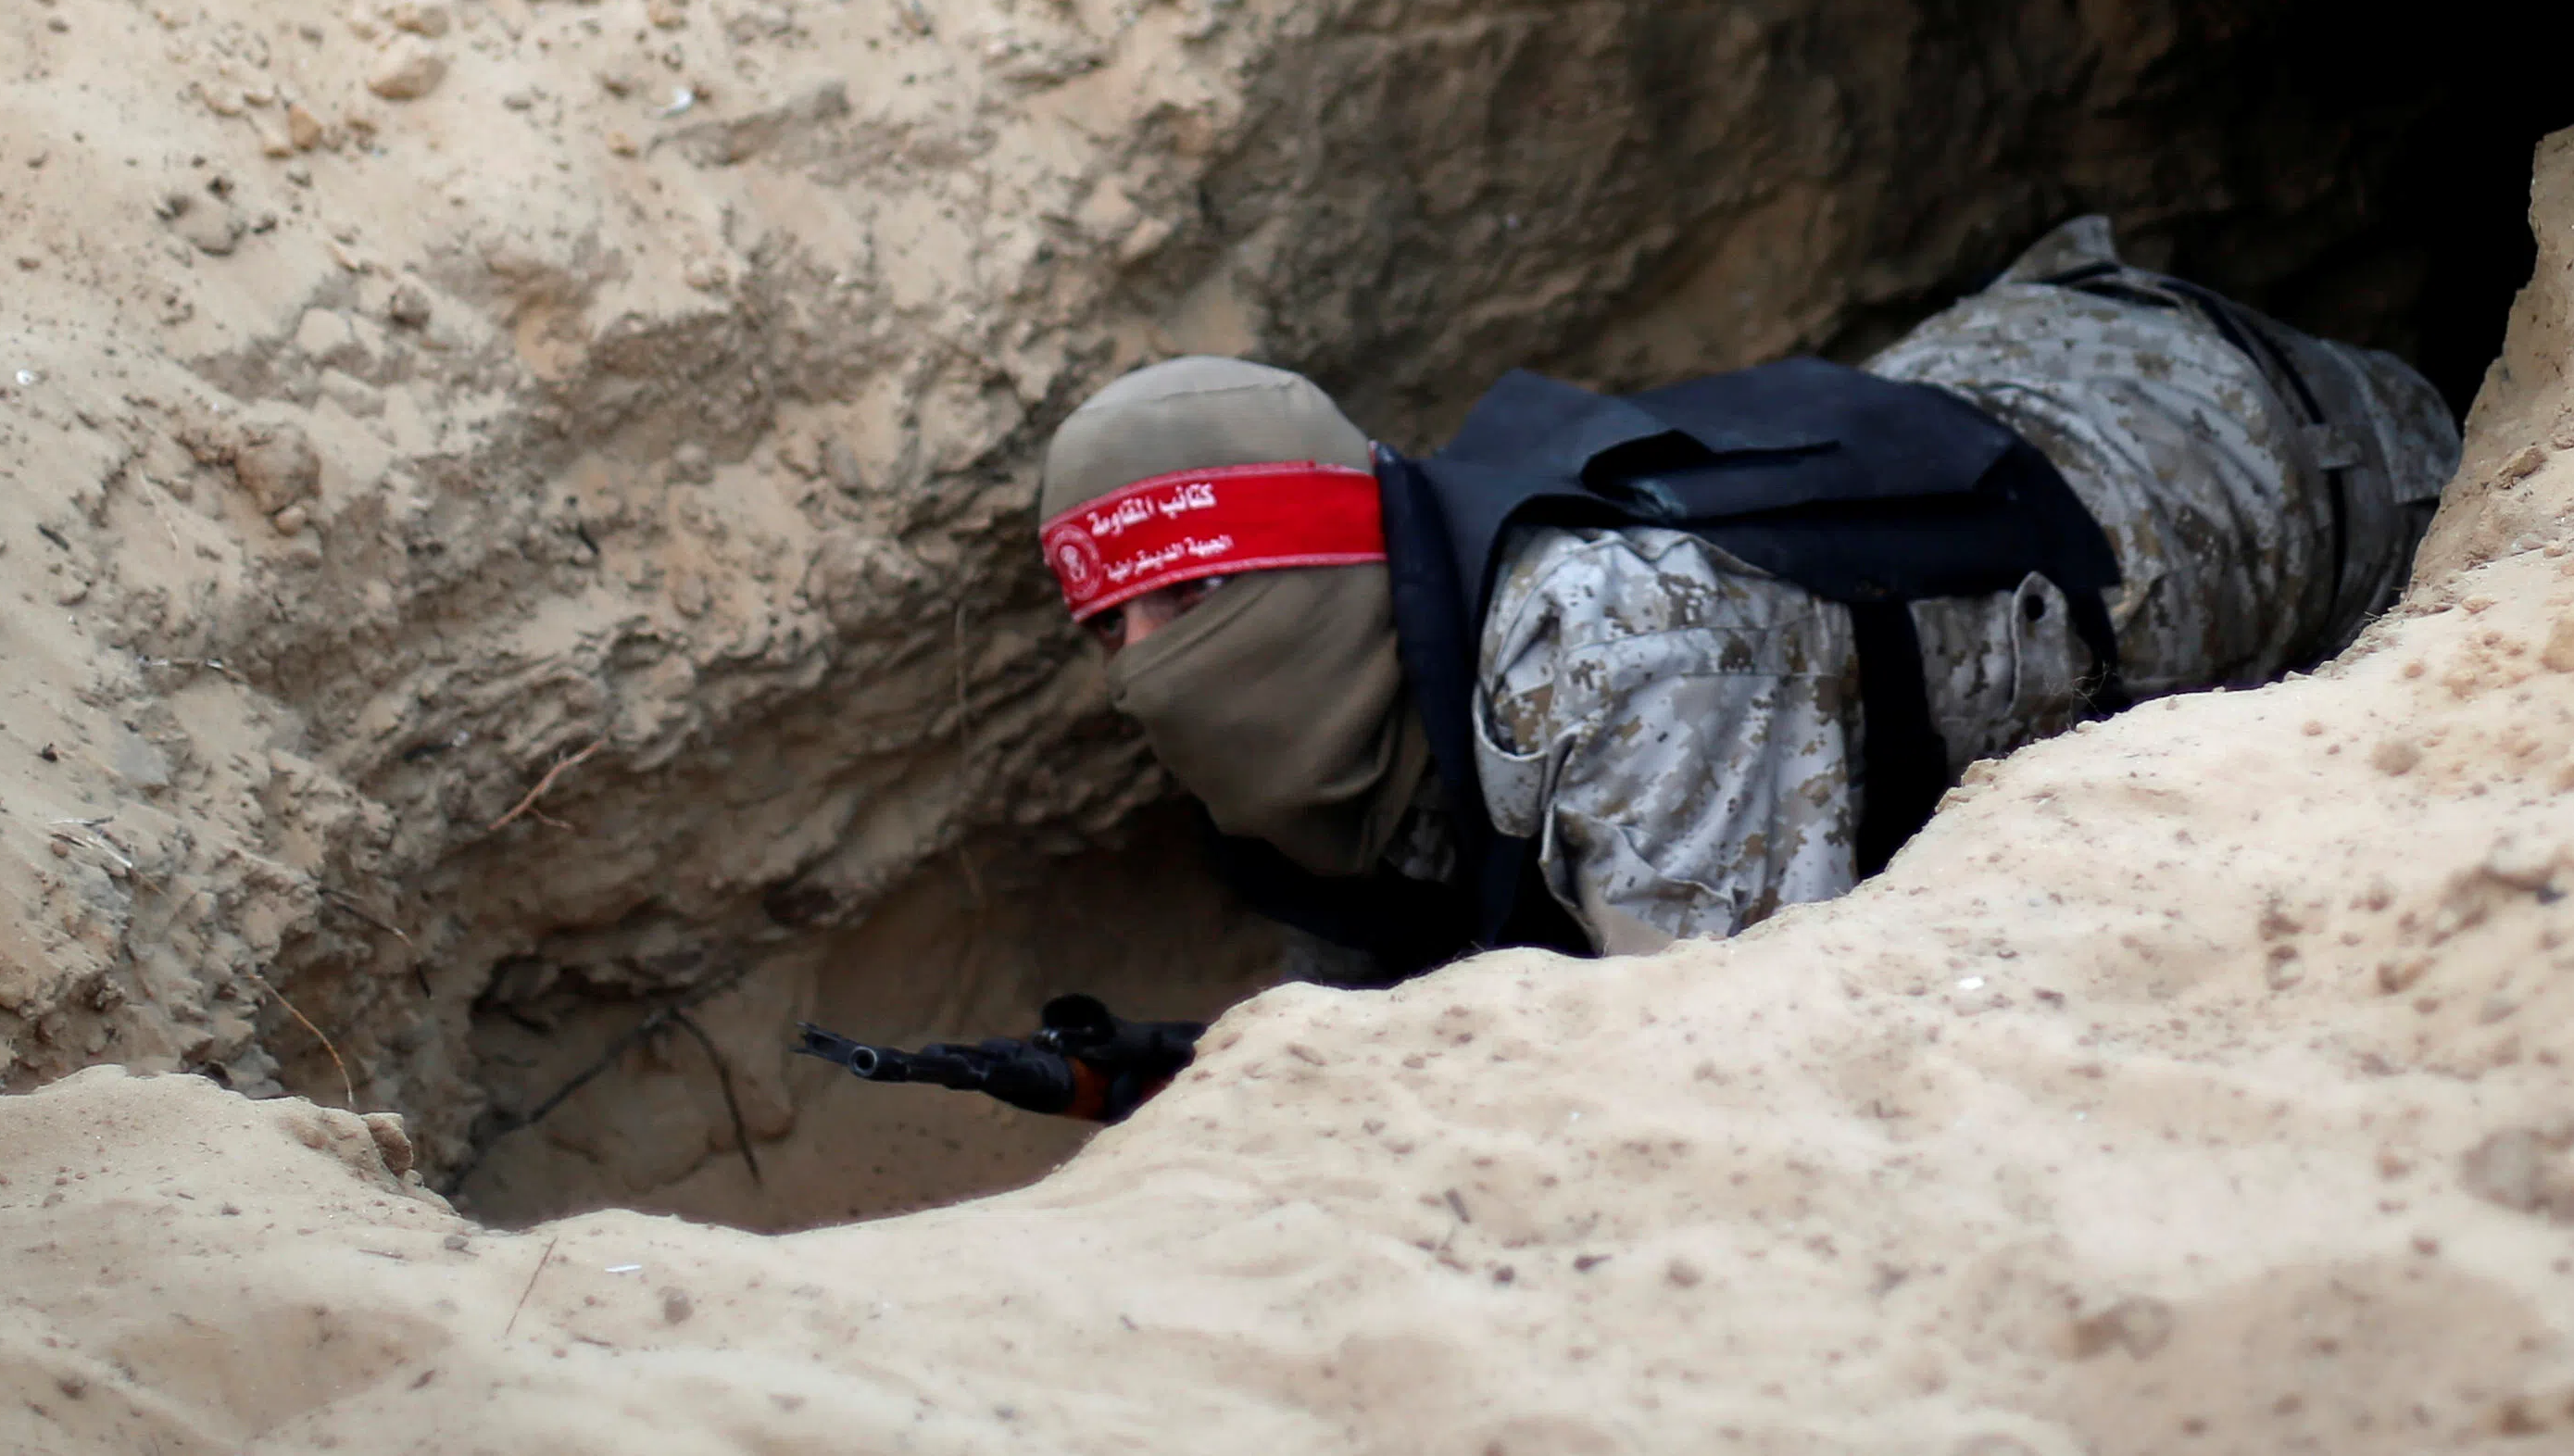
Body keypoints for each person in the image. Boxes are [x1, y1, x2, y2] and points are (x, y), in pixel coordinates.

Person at [1036, 218, 2461, 977]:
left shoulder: (1616, 647)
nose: (1154, 670)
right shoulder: (1391, 660)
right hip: (2025, 363)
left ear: (1331, 557)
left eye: (1201, 595)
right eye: (1115, 629)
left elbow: (1722, 1044)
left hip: (2308, 466)